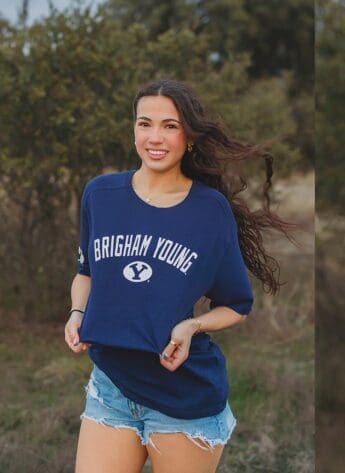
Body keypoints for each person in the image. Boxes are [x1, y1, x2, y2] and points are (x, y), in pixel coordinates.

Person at [63, 79, 289, 473]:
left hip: (183, 398)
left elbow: (237, 305)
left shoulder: (209, 210)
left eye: (170, 126)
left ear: (189, 138)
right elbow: (86, 273)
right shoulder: (100, 194)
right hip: (110, 388)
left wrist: (192, 326)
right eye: (144, 123)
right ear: (133, 128)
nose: (155, 137)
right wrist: (77, 313)